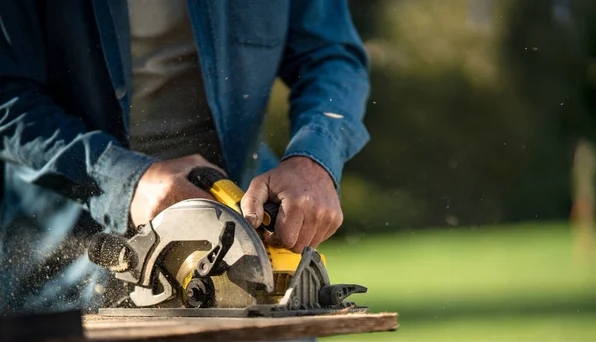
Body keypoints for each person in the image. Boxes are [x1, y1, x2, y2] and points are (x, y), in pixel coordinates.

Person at [0, 0, 371, 315]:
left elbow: (330, 55)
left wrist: (313, 157)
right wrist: (127, 180)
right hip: (63, 256)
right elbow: (9, 96)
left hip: (241, 258)